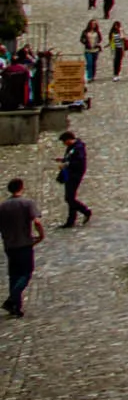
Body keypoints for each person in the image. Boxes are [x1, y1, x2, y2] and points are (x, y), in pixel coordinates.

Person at [0, 178, 44, 318]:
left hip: (9, 245)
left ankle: (16, 307)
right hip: (24, 243)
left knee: (14, 275)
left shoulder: (3, 206)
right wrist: (41, 235)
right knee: (26, 273)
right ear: (21, 187)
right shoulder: (27, 203)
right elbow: (36, 221)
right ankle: (12, 298)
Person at [54, 131, 90, 227]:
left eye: (64, 141)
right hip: (69, 174)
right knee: (70, 197)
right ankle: (71, 220)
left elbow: (79, 162)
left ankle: (85, 211)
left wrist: (66, 164)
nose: (64, 144)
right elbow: (70, 158)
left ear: (69, 139)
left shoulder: (78, 148)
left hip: (75, 175)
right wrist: (63, 160)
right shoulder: (72, 147)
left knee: (69, 198)